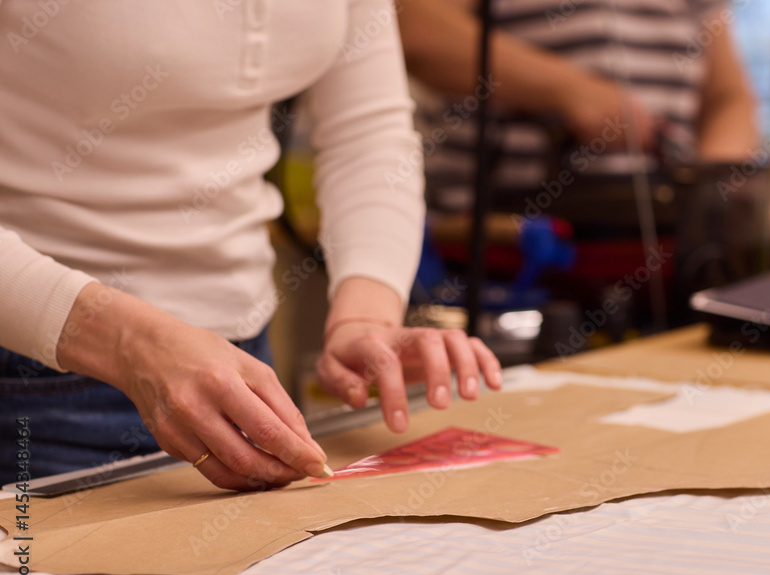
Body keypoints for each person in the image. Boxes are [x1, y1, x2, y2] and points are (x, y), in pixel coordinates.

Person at [0, 0, 501, 491]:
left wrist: (366, 316)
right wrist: (130, 343)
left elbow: (369, 133)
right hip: (36, 369)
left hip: (244, 363)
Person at [397, 0, 759, 211]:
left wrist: (709, 190)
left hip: (663, 244)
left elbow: (729, 98)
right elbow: (412, 24)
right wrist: (571, 91)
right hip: (505, 243)